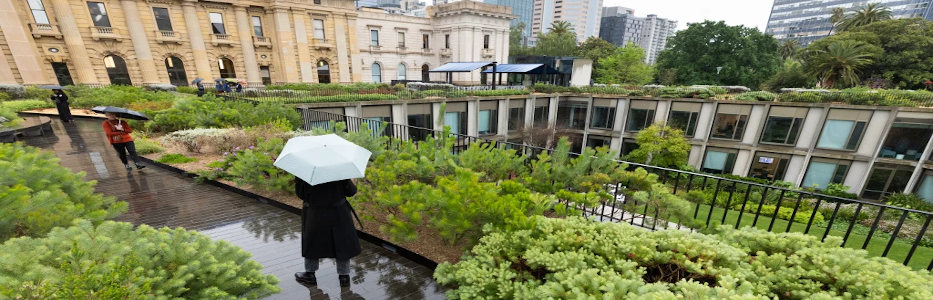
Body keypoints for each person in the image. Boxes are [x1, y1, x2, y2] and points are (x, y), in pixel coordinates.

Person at [294, 178, 361, 288]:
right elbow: (351, 191)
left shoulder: (308, 173)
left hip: (316, 214)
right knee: (341, 242)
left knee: (312, 242)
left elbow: (301, 194)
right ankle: (344, 277)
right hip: (339, 212)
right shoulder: (338, 170)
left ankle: (310, 274)